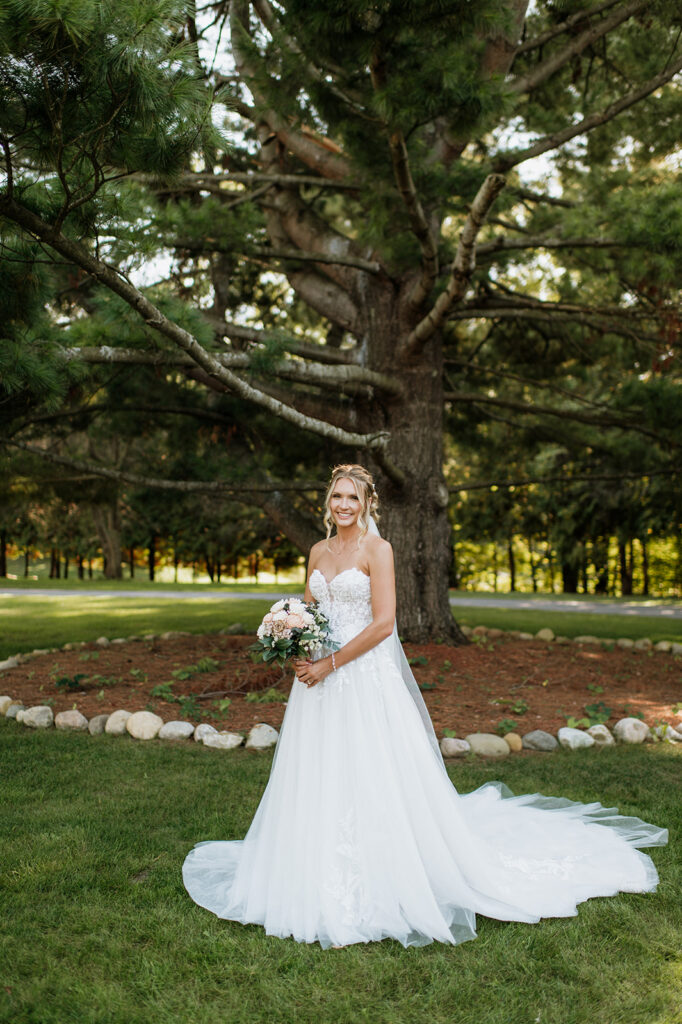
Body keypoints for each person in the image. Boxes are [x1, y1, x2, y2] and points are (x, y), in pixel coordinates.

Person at [182, 464, 667, 949]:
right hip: (317, 682)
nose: (344, 505)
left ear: (368, 503)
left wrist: (330, 663)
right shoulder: (317, 550)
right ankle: (310, 861)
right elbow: (308, 609)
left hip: (361, 676)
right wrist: (294, 646)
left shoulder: (379, 549)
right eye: (337, 497)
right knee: (318, 769)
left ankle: (389, 868)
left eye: (353, 498)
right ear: (327, 502)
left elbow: (384, 623)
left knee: (375, 770)